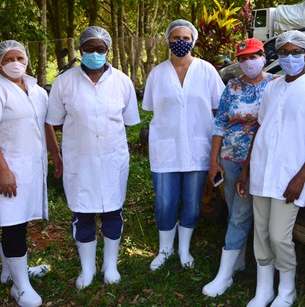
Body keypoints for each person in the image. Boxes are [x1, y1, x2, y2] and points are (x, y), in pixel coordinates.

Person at [237, 30, 305, 307]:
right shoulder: (272, 86)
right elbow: (261, 127)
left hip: (290, 175)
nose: (290, 57)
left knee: (279, 236)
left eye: (296, 52)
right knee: (260, 232)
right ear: (277, 56)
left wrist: (302, 176)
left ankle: (286, 290)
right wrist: (246, 169)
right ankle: (264, 289)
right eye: (284, 52)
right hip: (261, 170)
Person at [46, 26, 140, 289]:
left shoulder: (122, 81)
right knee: (82, 214)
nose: (95, 54)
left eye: (101, 49)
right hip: (80, 161)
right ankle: (87, 270)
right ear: (80, 49)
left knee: (113, 211)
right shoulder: (64, 83)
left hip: (113, 159)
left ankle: (110, 266)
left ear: (108, 51)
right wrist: (56, 155)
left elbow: (130, 120)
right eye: (89, 48)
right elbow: (52, 121)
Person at [143, 19, 224, 271]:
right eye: (176, 38)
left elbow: (217, 110)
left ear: (194, 41)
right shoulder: (157, 73)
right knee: (164, 202)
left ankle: (184, 249)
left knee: (192, 201)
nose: (180, 42)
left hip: (198, 148)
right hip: (165, 148)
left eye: (186, 38)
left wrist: (216, 150)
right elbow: (152, 108)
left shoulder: (207, 70)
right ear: (168, 40)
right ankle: (165, 249)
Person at [202, 38, 278, 297]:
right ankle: (240, 262)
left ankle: (226, 276)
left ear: (263, 56)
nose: (248, 63)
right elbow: (219, 123)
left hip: (261, 161)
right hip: (230, 159)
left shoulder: (275, 84)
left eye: (252, 56)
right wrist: (214, 161)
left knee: (241, 216)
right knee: (237, 211)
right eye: (243, 58)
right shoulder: (232, 86)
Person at [0, 40, 63, 306]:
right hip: (8, 167)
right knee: (12, 223)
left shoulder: (36, 90)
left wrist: (56, 154)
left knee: (19, 219)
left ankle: (11, 271)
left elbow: (46, 125)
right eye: (9, 58)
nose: (16, 63)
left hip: (31, 168)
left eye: (20, 57)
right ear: (0, 63)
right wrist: (3, 170)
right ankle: (20, 287)